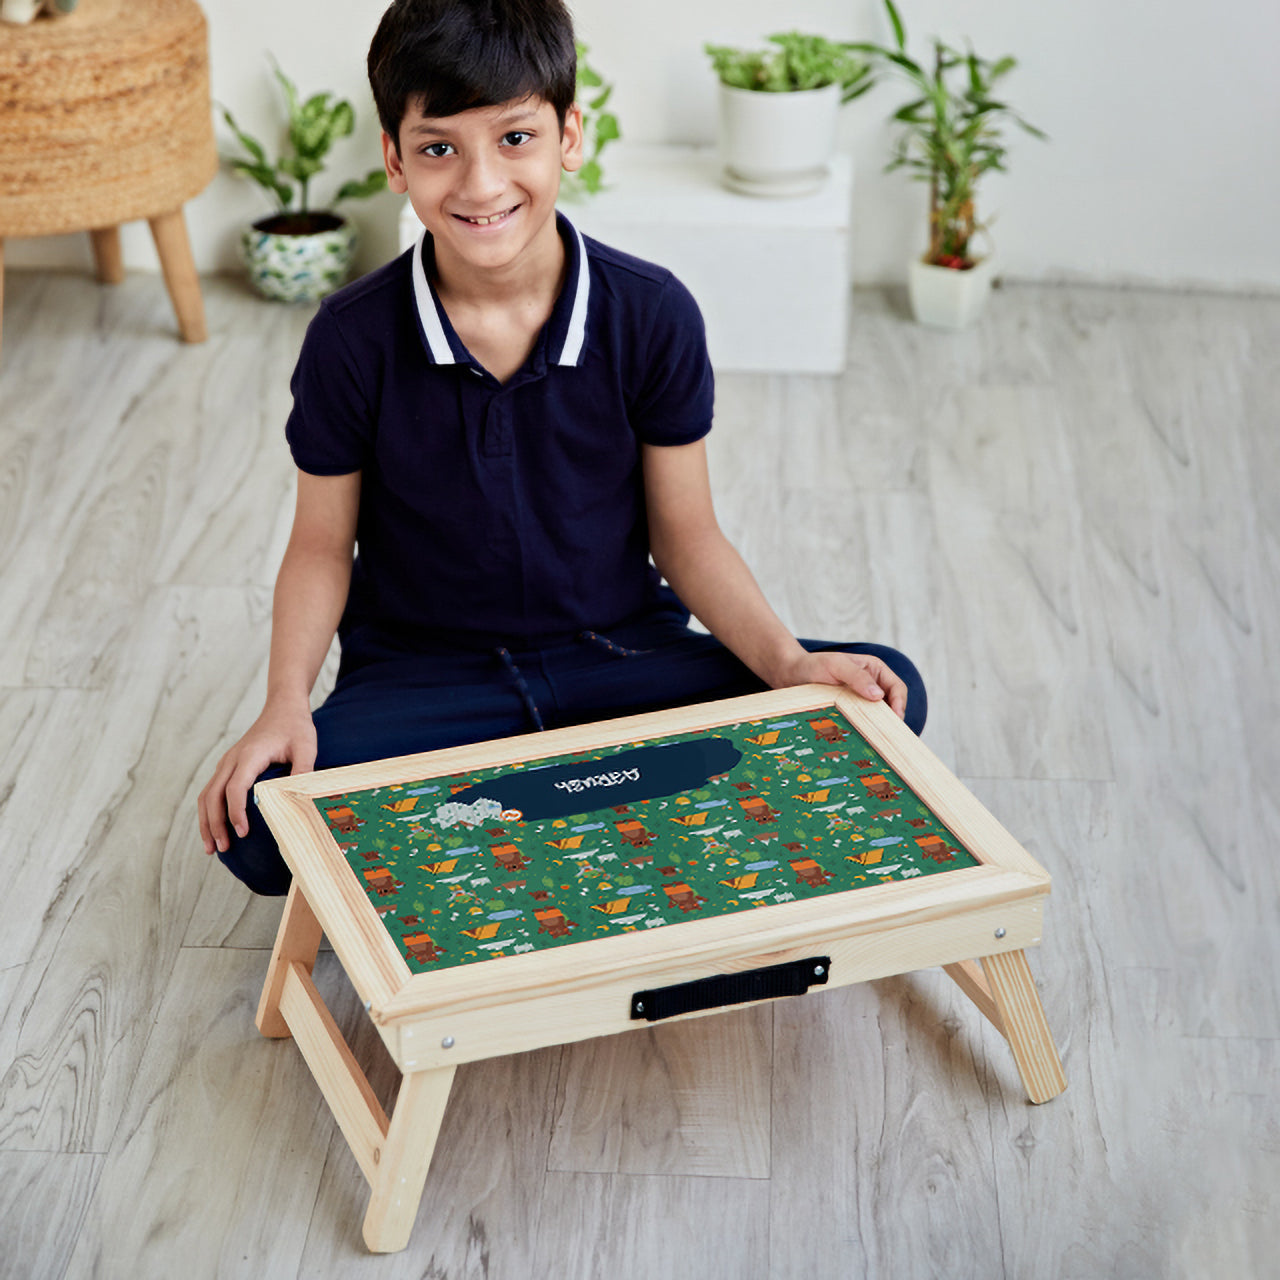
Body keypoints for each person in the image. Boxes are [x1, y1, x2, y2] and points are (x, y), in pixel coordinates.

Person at [198, 0, 927, 895]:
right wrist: (283, 704)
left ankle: (509, 817)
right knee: (260, 820)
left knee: (879, 693)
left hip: (620, 660)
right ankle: (601, 812)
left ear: (568, 135)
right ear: (393, 159)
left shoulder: (651, 312)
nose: (478, 185)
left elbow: (687, 535)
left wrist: (786, 665)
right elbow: (319, 546)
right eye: (438, 148)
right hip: (430, 682)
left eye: (514, 138)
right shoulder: (351, 338)